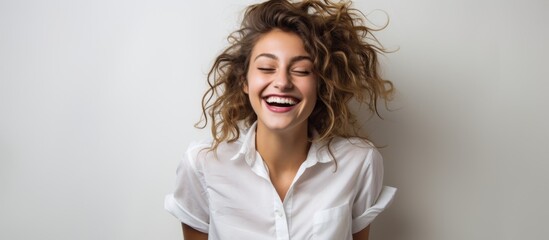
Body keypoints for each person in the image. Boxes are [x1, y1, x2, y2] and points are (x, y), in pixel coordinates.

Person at [165, 0, 396, 239]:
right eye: (266, 67)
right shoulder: (202, 164)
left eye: (301, 70)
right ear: (244, 80)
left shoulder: (359, 162)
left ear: (321, 84)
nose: (283, 82)